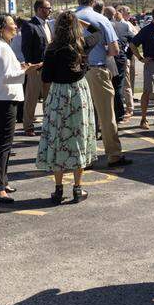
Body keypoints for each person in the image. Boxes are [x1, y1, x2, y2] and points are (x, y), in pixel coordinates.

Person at [36, 11, 96, 205]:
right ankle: (78, 188)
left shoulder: (52, 49)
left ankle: (58, 189)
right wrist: (84, 23)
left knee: (57, 138)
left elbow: (46, 78)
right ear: (76, 27)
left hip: (59, 95)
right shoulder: (81, 45)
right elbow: (99, 33)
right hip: (78, 94)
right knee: (78, 137)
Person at [0, 14, 41, 202]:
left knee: (5, 144)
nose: (15, 27)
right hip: (3, 100)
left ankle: (2, 180)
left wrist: (23, 67)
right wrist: (26, 70)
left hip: (0, 98)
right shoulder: (1, 48)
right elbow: (6, 77)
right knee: (3, 145)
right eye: (11, 25)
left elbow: (7, 72)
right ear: (2, 29)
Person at [74, 0, 128, 168]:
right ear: (93, 1)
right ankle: (114, 154)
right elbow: (114, 50)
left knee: (81, 116)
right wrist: (102, 51)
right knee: (106, 115)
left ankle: (84, 155)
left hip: (74, 71)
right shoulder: (101, 19)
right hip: (96, 69)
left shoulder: (69, 18)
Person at [20, 0, 53, 136]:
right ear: (39, 9)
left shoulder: (49, 24)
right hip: (36, 68)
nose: (50, 10)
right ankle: (28, 125)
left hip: (49, 66)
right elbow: (26, 48)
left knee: (49, 97)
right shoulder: (30, 25)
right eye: (48, 8)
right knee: (32, 97)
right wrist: (33, 65)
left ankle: (48, 124)